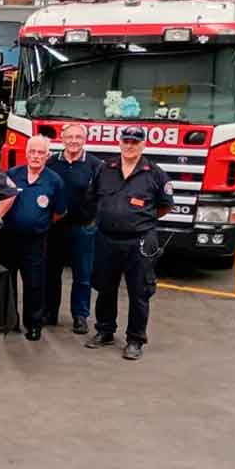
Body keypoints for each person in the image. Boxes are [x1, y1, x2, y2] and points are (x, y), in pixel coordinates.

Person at [85, 126, 173, 361]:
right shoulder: (105, 169)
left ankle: (135, 339)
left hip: (140, 241)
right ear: (120, 143)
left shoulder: (154, 173)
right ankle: (104, 331)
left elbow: (164, 206)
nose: (130, 145)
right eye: (126, 141)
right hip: (106, 239)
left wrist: (138, 221)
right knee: (105, 287)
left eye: (135, 142)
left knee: (139, 292)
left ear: (143, 145)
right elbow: (93, 197)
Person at [0, 136, 67, 341]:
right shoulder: (12, 174)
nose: (36, 156)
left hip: (35, 241)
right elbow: (1, 200)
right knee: (7, 280)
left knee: (34, 283)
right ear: (26, 153)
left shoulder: (55, 180)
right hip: (9, 237)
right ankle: (9, 321)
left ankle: (34, 324)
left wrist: (37, 222)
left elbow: (59, 212)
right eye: (32, 152)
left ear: (47, 155)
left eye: (41, 153)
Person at [45, 124, 104, 334]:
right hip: (55, 228)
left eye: (78, 137)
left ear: (85, 139)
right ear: (62, 138)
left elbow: (103, 195)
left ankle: (80, 315)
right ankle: (49, 312)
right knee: (51, 272)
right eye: (69, 137)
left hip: (82, 228)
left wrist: (94, 220)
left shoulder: (96, 165)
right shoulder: (51, 162)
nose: (73, 141)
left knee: (83, 274)